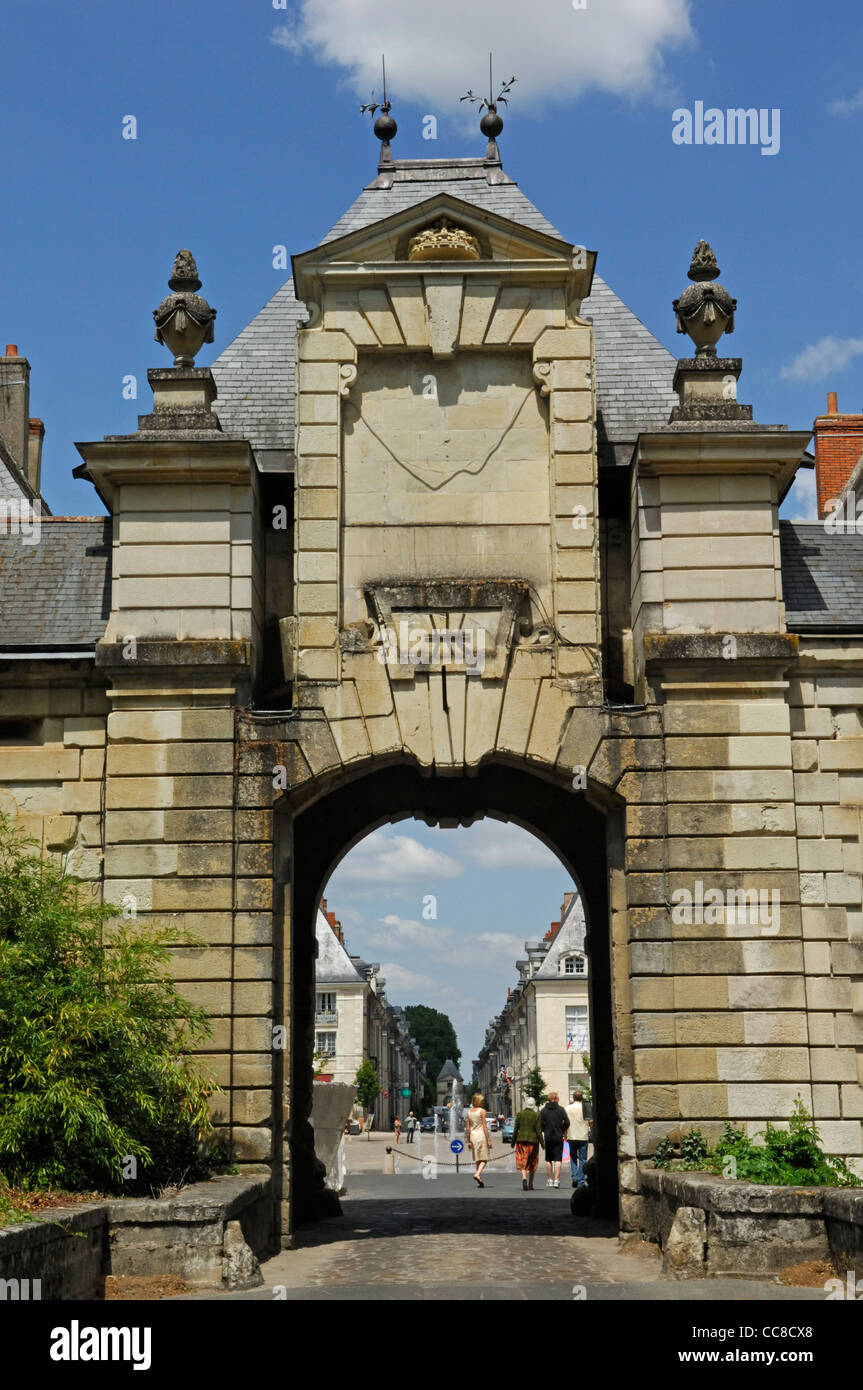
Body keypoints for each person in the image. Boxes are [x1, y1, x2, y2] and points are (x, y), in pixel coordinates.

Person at [512, 1096, 544, 1191]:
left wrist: (513, 1142)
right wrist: (542, 1143)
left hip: (521, 1140)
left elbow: (516, 1129)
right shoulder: (536, 1115)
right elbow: (539, 1131)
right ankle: (530, 1184)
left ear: (526, 1104)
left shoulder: (520, 1114)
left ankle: (524, 1177)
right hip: (533, 1141)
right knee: (532, 1161)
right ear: (534, 1105)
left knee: (522, 1159)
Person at [540, 1091, 569, 1188]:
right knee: (558, 1159)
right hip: (558, 1136)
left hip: (548, 1137)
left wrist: (544, 1129)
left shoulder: (543, 1110)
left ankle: (549, 1179)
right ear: (556, 1098)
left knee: (548, 1159)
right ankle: (556, 1180)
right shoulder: (561, 1110)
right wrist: (562, 1128)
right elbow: (567, 1122)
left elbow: (540, 1124)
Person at [565, 1089, 591, 1188]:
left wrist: (565, 1133)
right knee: (583, 1159)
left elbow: (565, 1122)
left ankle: (574, 1176)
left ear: (573, 1098)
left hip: (571, 1136)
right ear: (582, 1098)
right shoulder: (586, 1108)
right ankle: (581, 1180)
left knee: (572, 1157)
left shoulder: (567, 1108)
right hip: (583, 1136)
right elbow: (591, 1122)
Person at [466, 1092, 492, 1187]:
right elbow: (485, 1127)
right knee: (484, 1158)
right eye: (482, 1101)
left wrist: (468, 1141)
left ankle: (479, 1181)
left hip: (473, 1136)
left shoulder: (469, 1112)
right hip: (481, 1135)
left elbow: (468, 1128)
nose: (483, 1102)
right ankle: (477, 1174)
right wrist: (488, 1139)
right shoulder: (482, 1111)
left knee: (478, 1159)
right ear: (479, 1101)